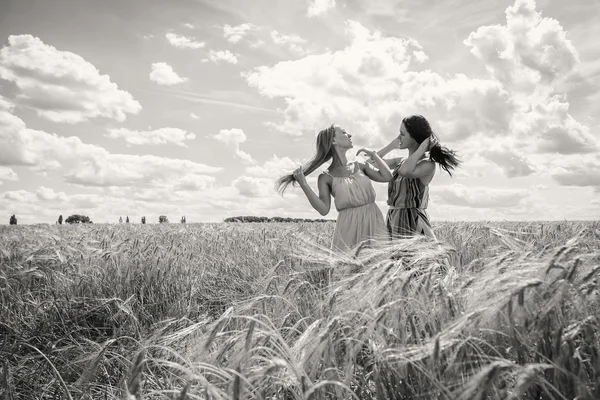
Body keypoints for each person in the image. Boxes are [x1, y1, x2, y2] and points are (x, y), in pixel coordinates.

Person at [276, 125, 393, 254]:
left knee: (378, 265)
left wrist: (374, 155)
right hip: (348, 227)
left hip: (373, 220)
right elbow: (323, 210)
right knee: (349, 270)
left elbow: (387, 176)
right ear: (333, 141)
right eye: (344, 132)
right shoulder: (325, 177)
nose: (349, 135)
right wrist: (304, 184)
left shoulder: (360, 165)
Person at [371, 115, 460, 240]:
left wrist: (422, 148)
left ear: (414, 138)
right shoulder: (400, 161)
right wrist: (391, 145)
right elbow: (372, 163)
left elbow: (405, 171)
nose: (398, 138)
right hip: (393, 216)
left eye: (402, 134)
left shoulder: (428, 164)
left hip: (412, 220)